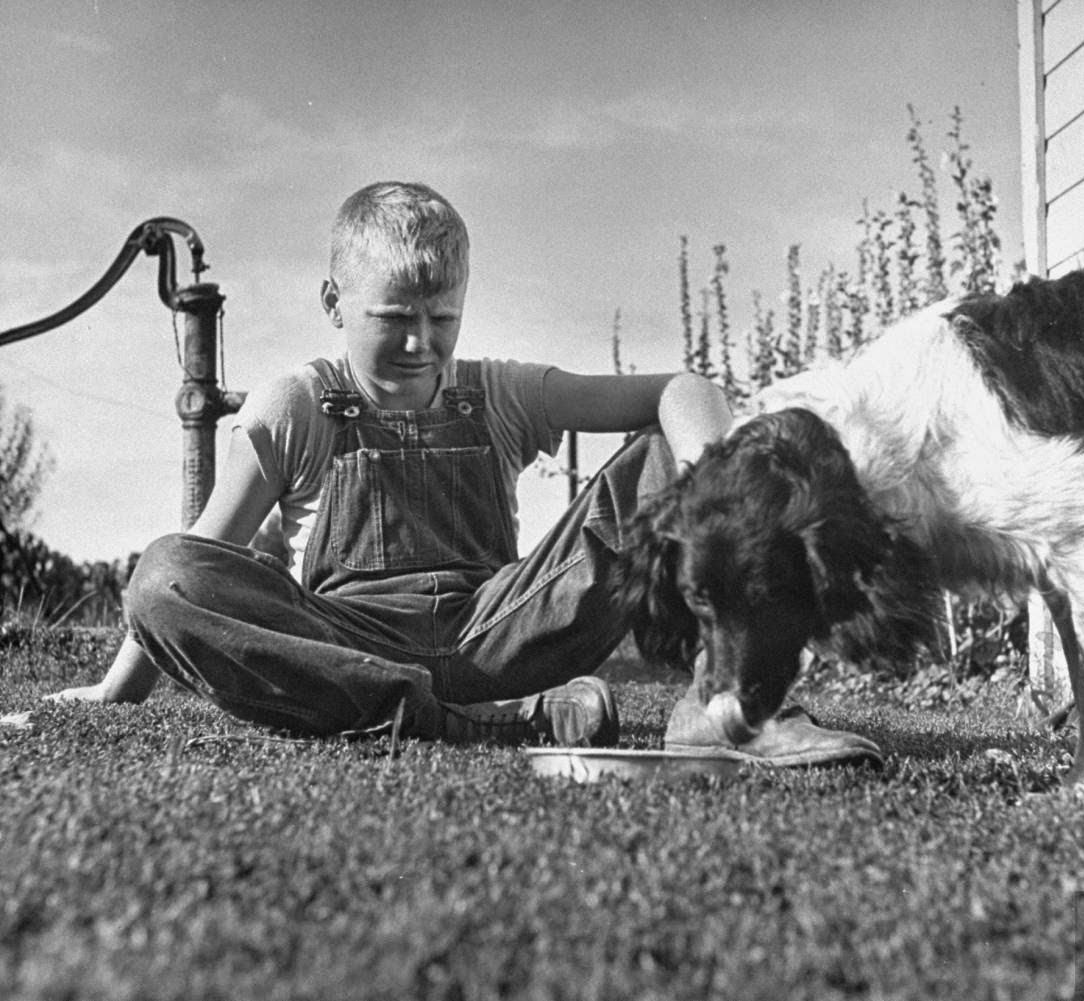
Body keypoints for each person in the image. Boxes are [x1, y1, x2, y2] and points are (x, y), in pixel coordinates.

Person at [50, 180, 881, 764]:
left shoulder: (499, 391)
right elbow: (193, 571)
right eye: (394, 320)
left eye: (442, 318)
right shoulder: (293, 404)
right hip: (347, 648)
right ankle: (481, 723)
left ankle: (725, 710)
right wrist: (113, 694)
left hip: (505, 627)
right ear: (334, 303)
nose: (421, 344)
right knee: (162, 572)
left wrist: (716, 509)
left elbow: (683, 387)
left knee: (727, 449)